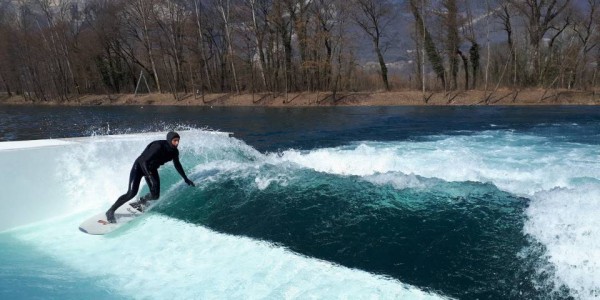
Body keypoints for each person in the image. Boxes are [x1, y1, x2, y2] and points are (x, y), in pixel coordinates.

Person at [106, 131, 195, 223]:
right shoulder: (158, 146)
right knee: (131, 193)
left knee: (155, 195)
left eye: (178, 141)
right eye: (174, 140)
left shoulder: (174, 152)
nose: (177, 143)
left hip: (152, 169)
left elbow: (177, 165)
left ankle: (142, 201)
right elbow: (143, 161)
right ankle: (110, 211)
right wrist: (149, 176)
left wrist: (185, 178)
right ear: (169, 140)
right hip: (139, 167)